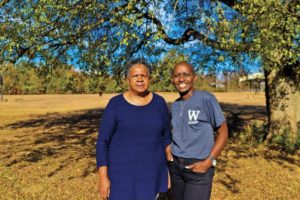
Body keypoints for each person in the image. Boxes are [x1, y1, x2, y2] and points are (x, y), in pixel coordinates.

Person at [96, 59, 171, 200]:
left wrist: (167, 172)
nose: (140, 79)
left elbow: (167, 139)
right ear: (127, 80)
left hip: (152, 175)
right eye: (135, 76)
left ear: (149, 79)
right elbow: (102, 142)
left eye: (144, 75)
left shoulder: (159, 103)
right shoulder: (115, 104)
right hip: (121, 177)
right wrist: (103, 177)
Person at [166, 61, 228, 200]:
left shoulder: (206, 99)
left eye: (186, 75)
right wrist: (169, 146)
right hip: (176, 168)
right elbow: (176, 130)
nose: (181, 79)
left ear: (194, 77)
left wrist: (209, 161)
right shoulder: (175, 105)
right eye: (177, 76)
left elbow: (223, 132)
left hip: (199, 167)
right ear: (172, 80)